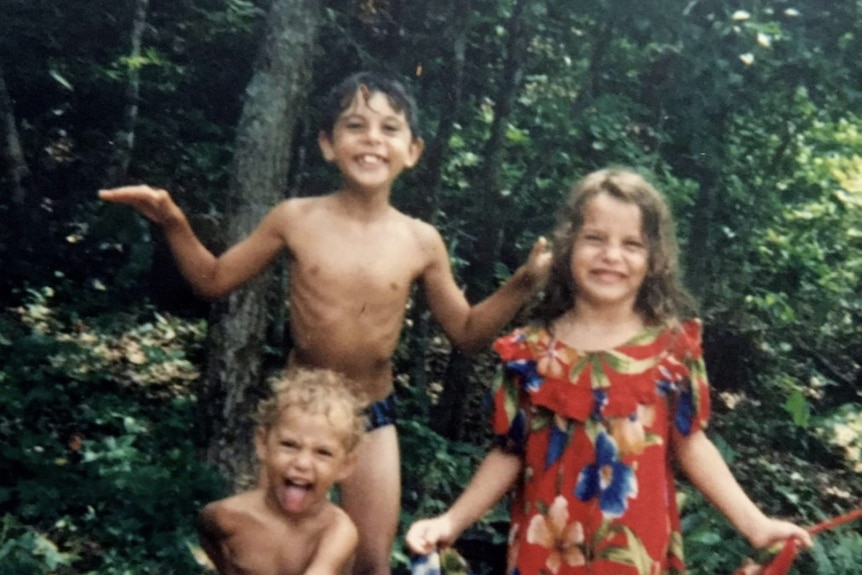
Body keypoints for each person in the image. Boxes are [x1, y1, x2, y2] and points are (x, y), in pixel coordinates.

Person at [99, 71, 551, 575]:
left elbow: (466, 333)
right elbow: (211, 280)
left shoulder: (420, 240)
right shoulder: (295, 218)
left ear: (413, 150)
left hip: (373, 418)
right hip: (298, 416)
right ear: (327, 144)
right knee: (273, 554)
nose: (372, 139)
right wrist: (172, 221)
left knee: (372, 562)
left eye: (389, 128)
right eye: (355, 125)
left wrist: (524, 284)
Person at [405, 168, 813, 574]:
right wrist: (451, 521)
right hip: (547, 555)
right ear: (567, 247)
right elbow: (508, 453)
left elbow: (692, 444)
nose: (611, 256)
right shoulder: (530, 353)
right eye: (594, 239)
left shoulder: (671, 351)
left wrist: (756, 524)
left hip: (636, 556)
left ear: (655, 259)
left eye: (631, 244)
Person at [198, 368, 366, 575]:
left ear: (345, 466)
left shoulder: (336, 531)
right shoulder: (226, 517)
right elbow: (208, 530)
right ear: (262, 444)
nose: (302, 463)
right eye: (289, 445)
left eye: (322, 452)